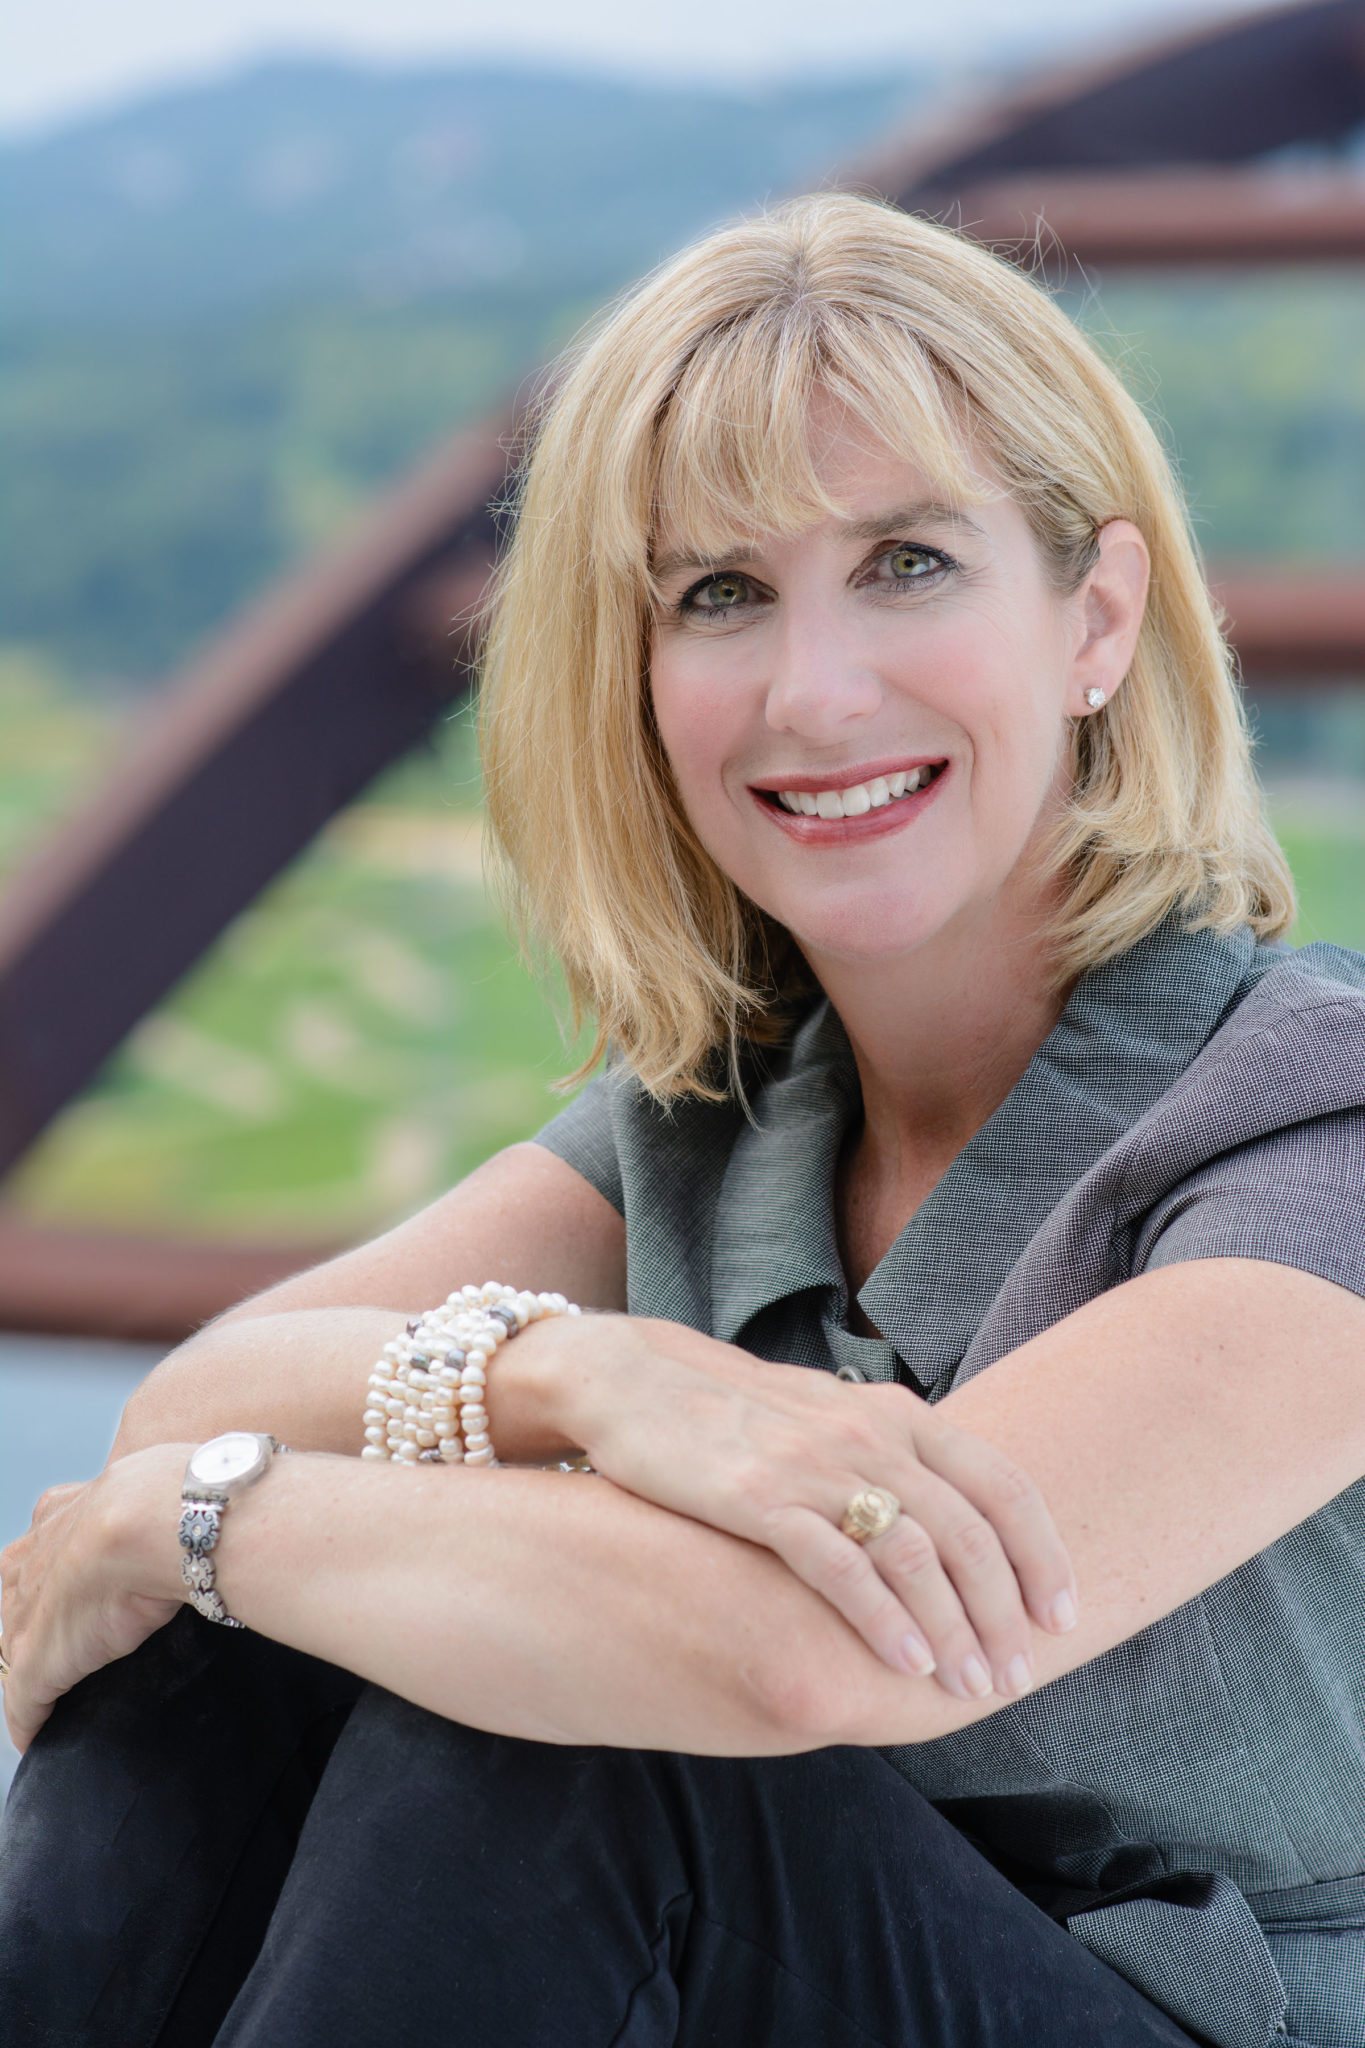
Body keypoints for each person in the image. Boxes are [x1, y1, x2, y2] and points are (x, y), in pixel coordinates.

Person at [2, 192, 1363, 2048]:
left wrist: (186, 1516)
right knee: (232, 1661)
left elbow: (821, 1645)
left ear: (1095, 620)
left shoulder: (1312, 1132)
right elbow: (199, 1398)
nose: (814, 692)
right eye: (719, 594)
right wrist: (571, 1381)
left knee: (564, 1744)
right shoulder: (722, 1119)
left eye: (906, 564)